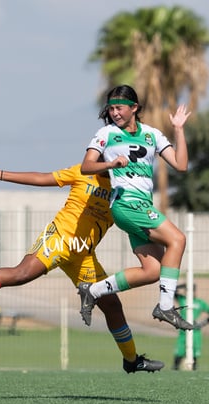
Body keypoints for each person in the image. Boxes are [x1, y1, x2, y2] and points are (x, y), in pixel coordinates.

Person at [0, 163, 164, 374]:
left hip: (84, 254)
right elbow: (42, 178)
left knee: (112, 305)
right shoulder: (82, 171)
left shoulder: (123, 189)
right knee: (22, 273)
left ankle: (132, 360)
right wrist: (2, 174)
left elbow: (136, 218)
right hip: (58, 240)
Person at [78, 84, 194, 330]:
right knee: (178, 240)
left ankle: (93, 290)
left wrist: (179, 130)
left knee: (152, 271)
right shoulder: (106, 134)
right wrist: (110, 165)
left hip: (141, 206)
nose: (114, 113)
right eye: (111, 109)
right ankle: (164, 307)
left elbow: (181, 165)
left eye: (119, 108)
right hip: (126, 203)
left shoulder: (152, 134)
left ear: (134, 108)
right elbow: (86, 167)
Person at [173, 284, 209, 370]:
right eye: (188, 290)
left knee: (194, 356)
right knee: (178, 355)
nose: (190, 292)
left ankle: (193, 373)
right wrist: (183, 285)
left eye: (192, 290)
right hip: (183, 332)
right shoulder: (182, 299)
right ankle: (175, 373)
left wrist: (201, 324)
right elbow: (172, 291)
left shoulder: (200, 302)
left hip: (195, 332)